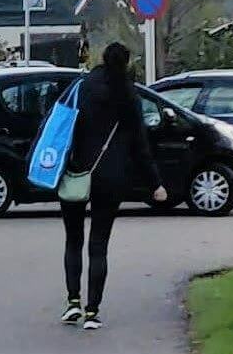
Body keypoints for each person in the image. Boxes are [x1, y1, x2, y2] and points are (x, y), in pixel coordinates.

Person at [58, 42, 167, 331]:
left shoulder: (82, 87)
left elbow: (63, 125)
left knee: (73, 240)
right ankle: (92, 312)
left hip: (78, 170)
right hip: (112, 176)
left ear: (101, 59)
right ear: (127, 62)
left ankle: (72, 302)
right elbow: (140, 144)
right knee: (99, 244)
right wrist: (155, 182)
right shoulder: (129, 95)